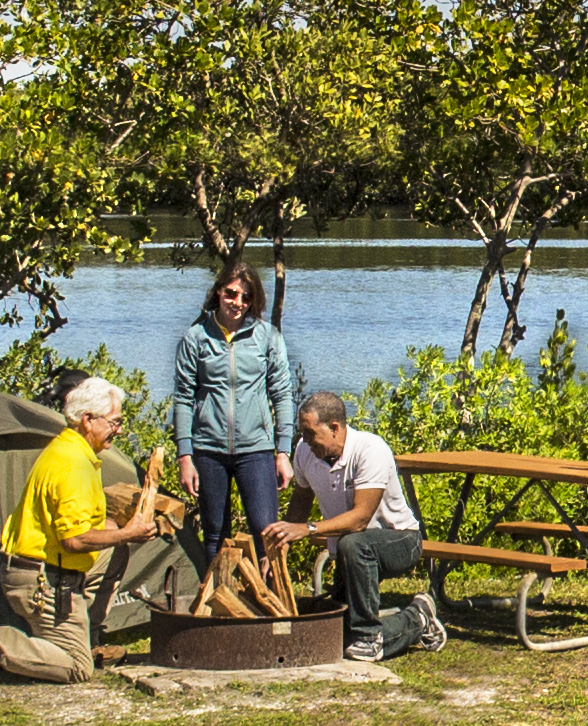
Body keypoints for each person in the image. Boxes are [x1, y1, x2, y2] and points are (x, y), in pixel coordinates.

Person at [0, 373, 180, 686]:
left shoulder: (68, 447)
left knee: (114, 550)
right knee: (77, 667)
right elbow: (74, 541)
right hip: (41, 580)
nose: (119, 430)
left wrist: (118, 529)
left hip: (39, 565)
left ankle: (87, 636)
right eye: (114, 422)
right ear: (88, 420)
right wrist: (130, 533)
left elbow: (83, 525)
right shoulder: (73, 465)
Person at [168, 267, 302, 573]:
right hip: (208, 449)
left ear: (254, 300)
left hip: (255, 449)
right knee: (215, 534)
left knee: (267, 533)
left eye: (246, 296)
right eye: (231, 293)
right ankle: (218, 596)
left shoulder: (267, 336)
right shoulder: (195, 338)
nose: (237, 302)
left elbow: (282, 394)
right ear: (218, 291)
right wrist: (185, 456)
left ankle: (270, 598)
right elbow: (183, 398)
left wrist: (283, 452)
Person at [282, 388, 427, 654]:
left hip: (401, 540)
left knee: (353, 543)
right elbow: (301, 500)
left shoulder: (370, 450)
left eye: (310, 433)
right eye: (303, 432)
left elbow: (360, 519)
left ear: (334, 428)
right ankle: (418, 618)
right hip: (351, 552)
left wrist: (309, 529)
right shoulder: (305, 451)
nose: (305, 440)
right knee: (337, 631)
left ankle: (371, 636)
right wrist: (281, 543)